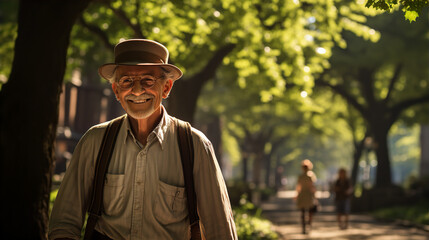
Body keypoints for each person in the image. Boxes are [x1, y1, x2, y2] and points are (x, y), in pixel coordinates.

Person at [49, 39, 237, 240]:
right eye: (127, 81)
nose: (137, 91)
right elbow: (63, 224)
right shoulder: (94, 141)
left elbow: (220, 231)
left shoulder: (195, 145)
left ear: (166, 88)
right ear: (117, 91)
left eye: (147, 80)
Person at [295, 159, 317, 234]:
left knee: (303, 211)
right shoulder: (310, 176)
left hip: (304, 194)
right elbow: (312, 187)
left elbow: (298, 187)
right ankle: (308, 224)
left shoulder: (301, 176)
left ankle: (305, 226)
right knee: (308, 211)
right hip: (308, 195)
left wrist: (297, 194)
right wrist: (315, 195)